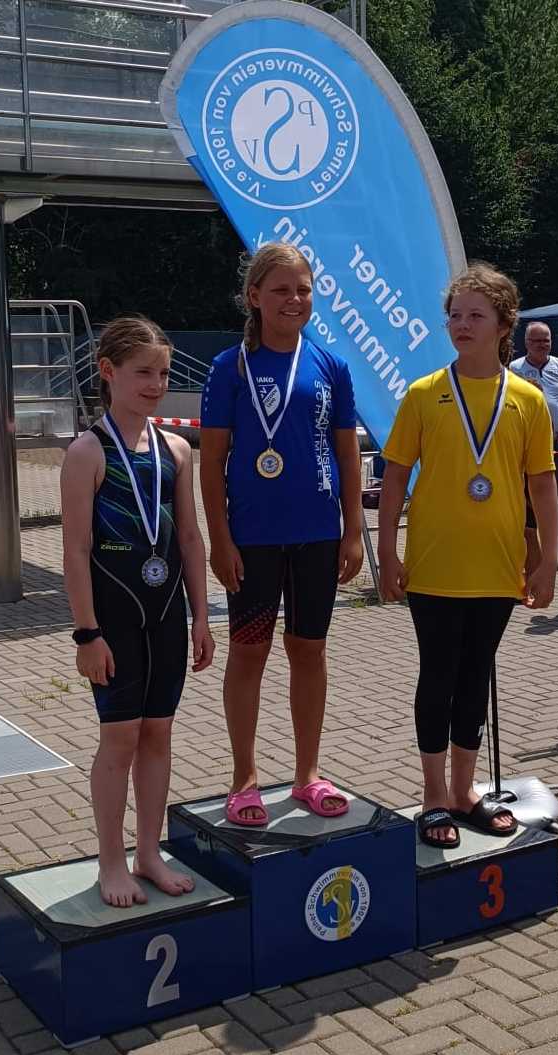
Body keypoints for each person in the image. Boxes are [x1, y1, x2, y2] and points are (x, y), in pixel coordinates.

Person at [378, 263, 558, 849]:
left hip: (498, 566)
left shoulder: (528, 399)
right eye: (455, 315)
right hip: (434, 564)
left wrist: (547, 559)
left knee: (475, 674)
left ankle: (463, 790)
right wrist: (386, 548)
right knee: (438, 675)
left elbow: (542, 485)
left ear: (504, 324)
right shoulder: (423, 393)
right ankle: (434, 796)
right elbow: (396, 475)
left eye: (476, 315)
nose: (462, 324)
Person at [200, 242, 363, 826]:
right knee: (249, 653)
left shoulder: (331, 366)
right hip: (254, 538)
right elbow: (211, 463)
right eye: (281, 290)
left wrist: (353, 531)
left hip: (318, 534)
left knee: (309, 650)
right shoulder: (229, 368)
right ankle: (243, 779)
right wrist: (220, 539)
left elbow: (348, 454)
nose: (294, 300)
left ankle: (307, 774)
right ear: (254, 297)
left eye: (303, 289)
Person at [61, 316, 215, 907]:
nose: (156, 385)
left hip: (166, 616)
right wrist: (86, 633)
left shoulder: (176, 449)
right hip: (114, 621)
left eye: (164, 374)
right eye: (143, 373)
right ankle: (111, 862)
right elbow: (75, 550)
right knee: (120, 737)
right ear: (109, 372)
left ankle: (149, 852)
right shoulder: (87, 451)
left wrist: (202, 616)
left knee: (158, 733)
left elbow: (190, 540)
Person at [510, 321, 558, 571]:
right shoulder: (514, 368)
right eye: (536, 341)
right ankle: (525, 554)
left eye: (546, 340)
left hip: (557, 441)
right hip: (524, 443)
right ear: (526, 343)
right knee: (521, 496)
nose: (542, 345)